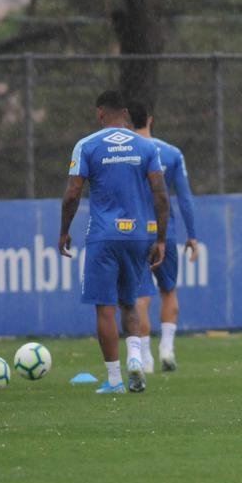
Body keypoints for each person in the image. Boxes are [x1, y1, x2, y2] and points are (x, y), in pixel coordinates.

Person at [59, 91, 168, 395]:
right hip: (137, 236)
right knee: (129, 301)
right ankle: (135, 357)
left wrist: (64, 231)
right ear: (126, 114)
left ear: (100, 114)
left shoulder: (87, 145)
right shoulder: (146, 147)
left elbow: (72, 193)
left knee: (105, 308)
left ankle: (116, 379)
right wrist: (160, 238)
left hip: (104, 235)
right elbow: (160, 194)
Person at [127, 100, 198, 374]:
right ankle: (167, 349)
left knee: (141, 295)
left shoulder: (125, 154)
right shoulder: (171, 153)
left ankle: (145, 357)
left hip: (134, 233)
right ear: (150, 120)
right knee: (168, 290)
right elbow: (184, 198)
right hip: (164, 232)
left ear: (127, 123)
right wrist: (192, 235)